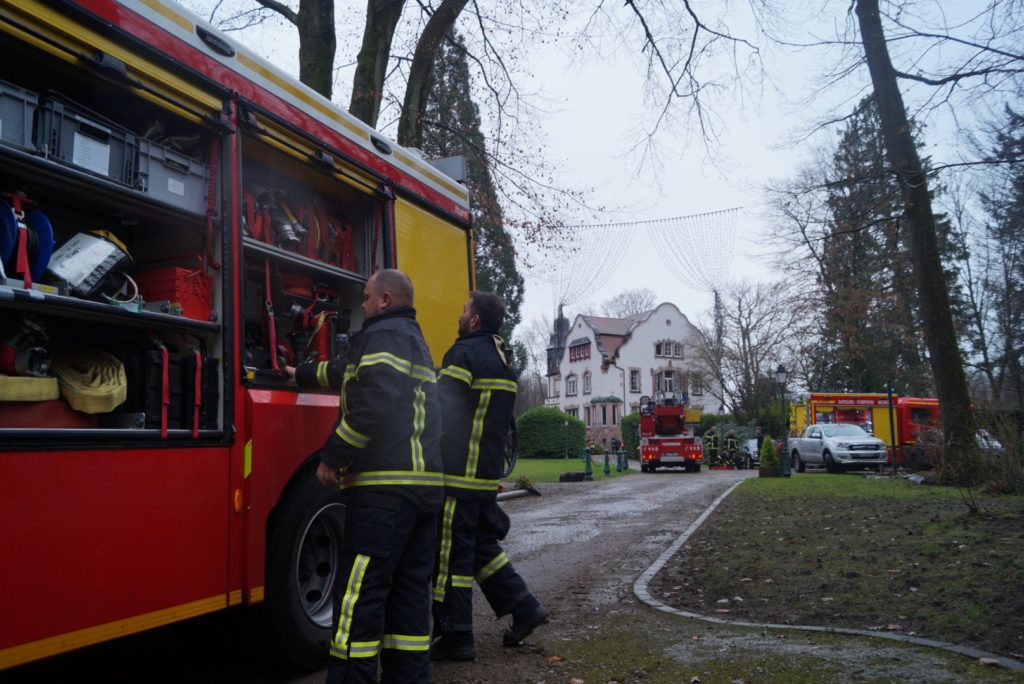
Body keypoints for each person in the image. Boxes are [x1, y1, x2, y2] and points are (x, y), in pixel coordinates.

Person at [296, 269, 444, 684]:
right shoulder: (407, 336)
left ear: (385, 300)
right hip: (420, 493)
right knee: (409, 600)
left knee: (358, 598)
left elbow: (373, 401)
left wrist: (333, 456)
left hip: (383, 494)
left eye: (365, 297)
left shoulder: (385, 336)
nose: (360, 305)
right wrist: (299, 373)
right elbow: (348, 372)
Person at [430, 291, 548, 662]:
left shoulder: (463, 353)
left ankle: (455, 636)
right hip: (483, 476)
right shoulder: (502, 359)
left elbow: (440, 410)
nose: (460, 315)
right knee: (481, 547)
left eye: (464, 310)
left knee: (451, 557)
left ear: (475, 320)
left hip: (458, 476)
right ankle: (525, 607)